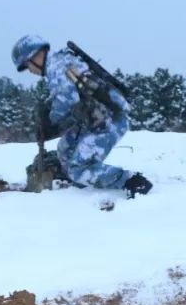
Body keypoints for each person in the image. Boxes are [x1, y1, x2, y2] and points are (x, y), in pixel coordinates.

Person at [11, 34, 152, 197]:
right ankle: (80, 186)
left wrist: (49, 121)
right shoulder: (61, 61)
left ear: (35, 56)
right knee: (65, 149)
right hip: (95, 119)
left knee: (79, 169)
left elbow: (67, 101)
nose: (31, 71)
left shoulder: (56, 67)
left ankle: (131, 181)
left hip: (109, 121)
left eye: (28, 66)